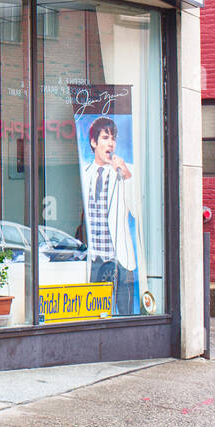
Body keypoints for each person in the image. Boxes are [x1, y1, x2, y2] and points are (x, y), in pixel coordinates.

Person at [79, 116, 139, 317]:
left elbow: (137, 210)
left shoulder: (125, 170)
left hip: (120, 257)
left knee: (125, 313)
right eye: (105, 137)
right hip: (95, 258)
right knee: (95, 314)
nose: (111, 143)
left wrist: (126, 174)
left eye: (113, 138)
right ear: (94, 142)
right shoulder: (85, 173)